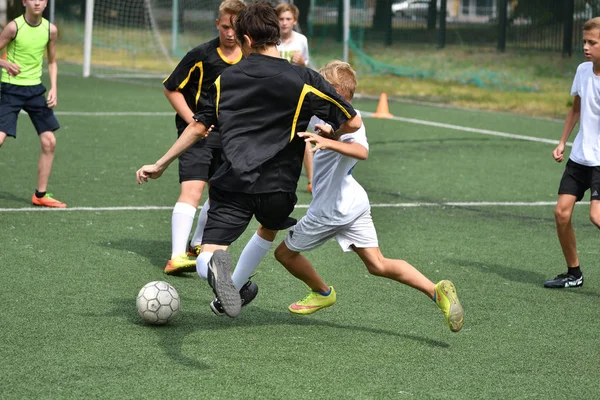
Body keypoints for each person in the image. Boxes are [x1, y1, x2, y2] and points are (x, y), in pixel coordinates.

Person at [135, 1, 362, 318]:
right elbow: (352, 122)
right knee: (268, 227)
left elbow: (199, 126)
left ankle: (217, 269)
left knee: (208, 255)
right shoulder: (304, 79)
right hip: (279, 189)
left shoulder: (225, 79)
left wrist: (160, 163)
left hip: (234, 183)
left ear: (245, 39)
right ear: (278, 37)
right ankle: (233, 291)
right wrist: (328, 133)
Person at [272, 60, 464, 333]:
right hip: (354, 202)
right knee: (377, 264)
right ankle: (436, 292)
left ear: (335, 92)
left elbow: (361, 152)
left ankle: (323, 292)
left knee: (284, 254)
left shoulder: (351, 120)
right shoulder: (329, 117)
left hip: (331, 210)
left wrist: (329, 141)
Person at [161, 0, 245, 275]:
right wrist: (193, 120)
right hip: (197, 134)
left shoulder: (249, 56)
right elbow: (171, 88)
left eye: (234, 27)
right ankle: (176, 256)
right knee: (193, 190)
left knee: (220, 193)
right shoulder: (201, 55)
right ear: (216, 24)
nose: (229, 33)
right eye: (224, 27)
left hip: (231, 138)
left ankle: (198, 244)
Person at [545, 17, 600, 289]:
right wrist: (562, 142)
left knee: (596, 216)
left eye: (592, 42)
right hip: (580, 157)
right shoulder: (582, 70)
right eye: (584, 42)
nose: (586, 47)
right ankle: (573, 273)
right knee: (561, 213)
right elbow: (576, 109)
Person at [0, 0, 65, 208]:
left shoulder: (50, 30)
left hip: (35, 90)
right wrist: (5, 63)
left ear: (46, 3)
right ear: (24, 2)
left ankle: (40, 195)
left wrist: (54, 87)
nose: (37, 2)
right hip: (10, 90)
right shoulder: (14, 27)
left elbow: (52, 61)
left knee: (49, 142)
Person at [275, 3, 313, 192]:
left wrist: (302, 63)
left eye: (288, 19)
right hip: (274, 95)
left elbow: (306, 68)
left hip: (295, 95)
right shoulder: (272, 40)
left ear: (295, 21)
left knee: (302, 135)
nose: (284, 23)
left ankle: (312, 180)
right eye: (281, 19)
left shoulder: (301, 40)